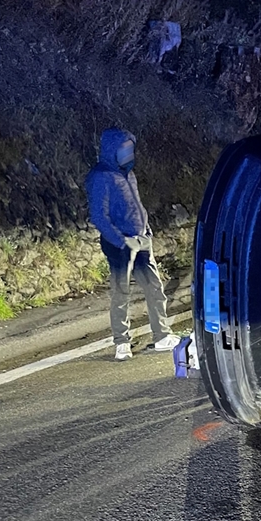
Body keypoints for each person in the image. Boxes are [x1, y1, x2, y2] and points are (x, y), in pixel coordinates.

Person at [85, 127, 179, 361]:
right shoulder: (101, 176)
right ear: (111, 150)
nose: (129, 153)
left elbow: (136, 205)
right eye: (124, 148)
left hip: (141, 240)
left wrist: (145, 230)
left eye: (130, 148)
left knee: (155, 289)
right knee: (121, 293)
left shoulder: (129, 174)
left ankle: (161, 336)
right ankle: (122, 343)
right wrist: (120, 240)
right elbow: (98, 215)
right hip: (120, 245)